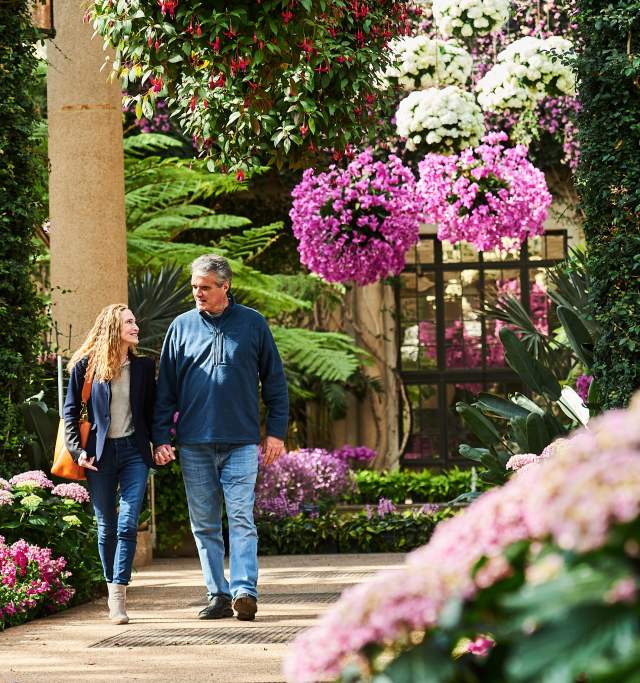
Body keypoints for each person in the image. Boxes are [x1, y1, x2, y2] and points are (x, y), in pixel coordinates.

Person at [153, 254, 288, 622]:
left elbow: (275, 381)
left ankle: (244, 590)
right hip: (194, 442)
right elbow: (165, 388)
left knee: (241, 516)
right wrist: (161, 436)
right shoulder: (180, 327)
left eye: (205, 287)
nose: (198, 292)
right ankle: (217, 593)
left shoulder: (253, 324)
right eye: (194, 286)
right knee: (205, 523)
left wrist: (275, 432)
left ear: (224, 287)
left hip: (242, 441)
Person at [64, 304, 155, 625]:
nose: (136, 325)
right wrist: (77, 451)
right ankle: (111, 591)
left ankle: (118, 597)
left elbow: (153, 413)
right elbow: (70, 412)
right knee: (107, 527)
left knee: (128, 523)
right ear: (112, 328)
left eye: (134, 320)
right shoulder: (86, 367)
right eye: (129, 321)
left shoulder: (144, 367)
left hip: (134, 452)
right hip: (99, 455)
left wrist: (162, 443)